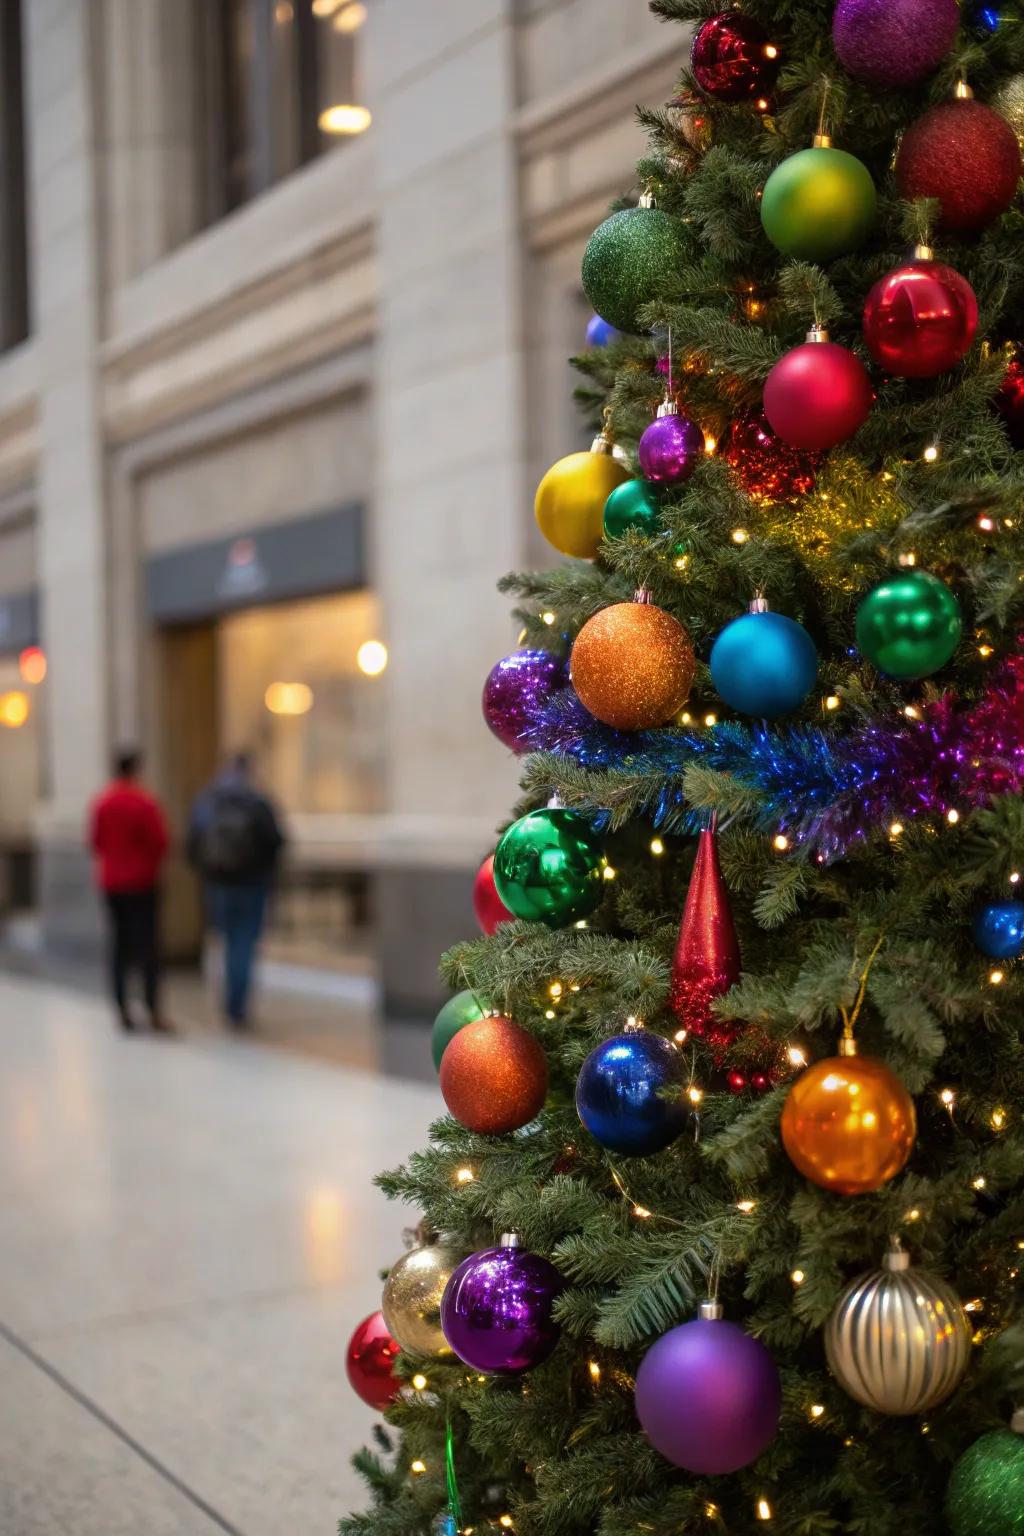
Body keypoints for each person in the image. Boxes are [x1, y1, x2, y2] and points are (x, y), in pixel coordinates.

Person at [187, 752, 285, 1028]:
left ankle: (230, 1002)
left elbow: (193, 844)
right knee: (245, 943)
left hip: (219, 883)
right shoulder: (257, 801)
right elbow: (276, 841)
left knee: (228, 941)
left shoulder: (208, 801)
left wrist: (208, 872)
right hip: (252, 884)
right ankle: (237, 1006)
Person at [88, 747, 171, 1033]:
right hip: (141, 883)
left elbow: (95, 842)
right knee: (148, 947)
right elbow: (160, 842)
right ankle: (151, 1008)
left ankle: (122, 1008)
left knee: (119, 946)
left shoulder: (103, 802)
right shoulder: (144, 803)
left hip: (112, 883)